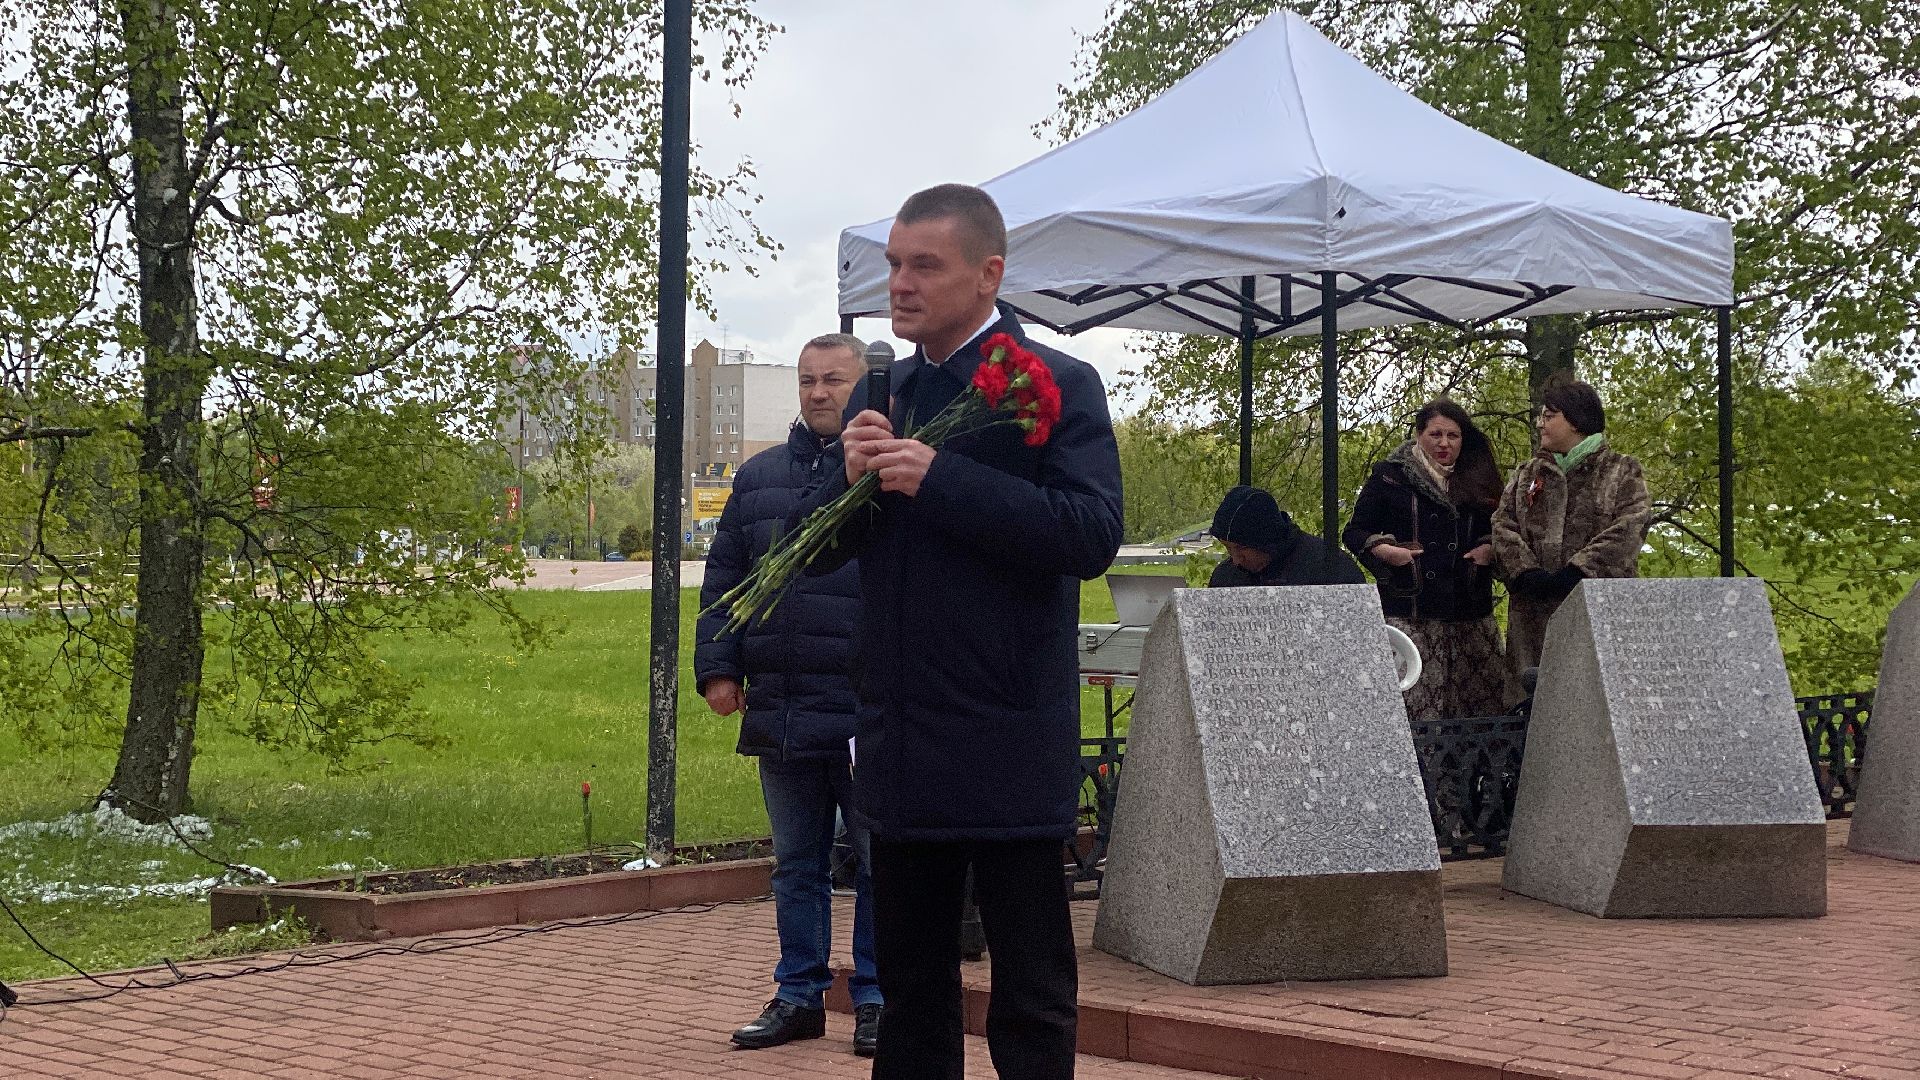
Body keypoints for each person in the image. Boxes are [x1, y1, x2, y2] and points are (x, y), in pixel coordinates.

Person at [795, 183, 1123, 1079]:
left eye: (923, 266)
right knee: (910, 994)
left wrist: (940, 478)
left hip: (1009, 729)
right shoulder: (887, 389)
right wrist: (848, 480)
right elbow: (817, 554)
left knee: (1030, 991)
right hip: (904, 735)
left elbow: (1089, 535)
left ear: (989, 275)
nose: (899, 283)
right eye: (895, 263)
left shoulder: (1058, 383)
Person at [694, 333, 883, 1057]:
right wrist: (719, 668)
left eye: (833, 379)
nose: (817, 392)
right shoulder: (760, 476)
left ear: (862, 386)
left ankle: (874, 998)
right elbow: (724, 581)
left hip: (866, 708)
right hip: (781, 705)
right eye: (808, 380)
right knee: (796, 864)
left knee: (875, 863)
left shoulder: (886, 472)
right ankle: (799, 994)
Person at [1343, 400, 1512, 720]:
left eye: (1453, 435)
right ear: (1419, 434)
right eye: (1436, 434)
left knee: (1477, 715)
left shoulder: (1479, 475)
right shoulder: (1389, 476)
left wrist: (1489, 548)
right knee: (1413, 715)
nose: (1445, 443)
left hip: (1469, 615)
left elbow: (1503, 526)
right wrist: (1384, 549)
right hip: (1409, 613)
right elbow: (1354, 531)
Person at [1492, 379, 1652, 680]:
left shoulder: (1621, 470)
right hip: (1533, 616)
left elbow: (1631, 526)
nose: (1541, 424)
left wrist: (1579, 571)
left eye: (1549, 416)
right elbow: (1503, 524)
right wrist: (1525, 572)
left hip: (1597, 610)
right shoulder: (1527, 473)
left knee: (1593, 703)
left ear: (1576, 420)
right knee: (1534, 707)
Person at [1207, 485, 1365, 587]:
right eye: (1228, 549)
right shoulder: (1226, 578)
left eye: (1241, 548)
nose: (1236, 560)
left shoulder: (1331, 569)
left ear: (1266, 540)